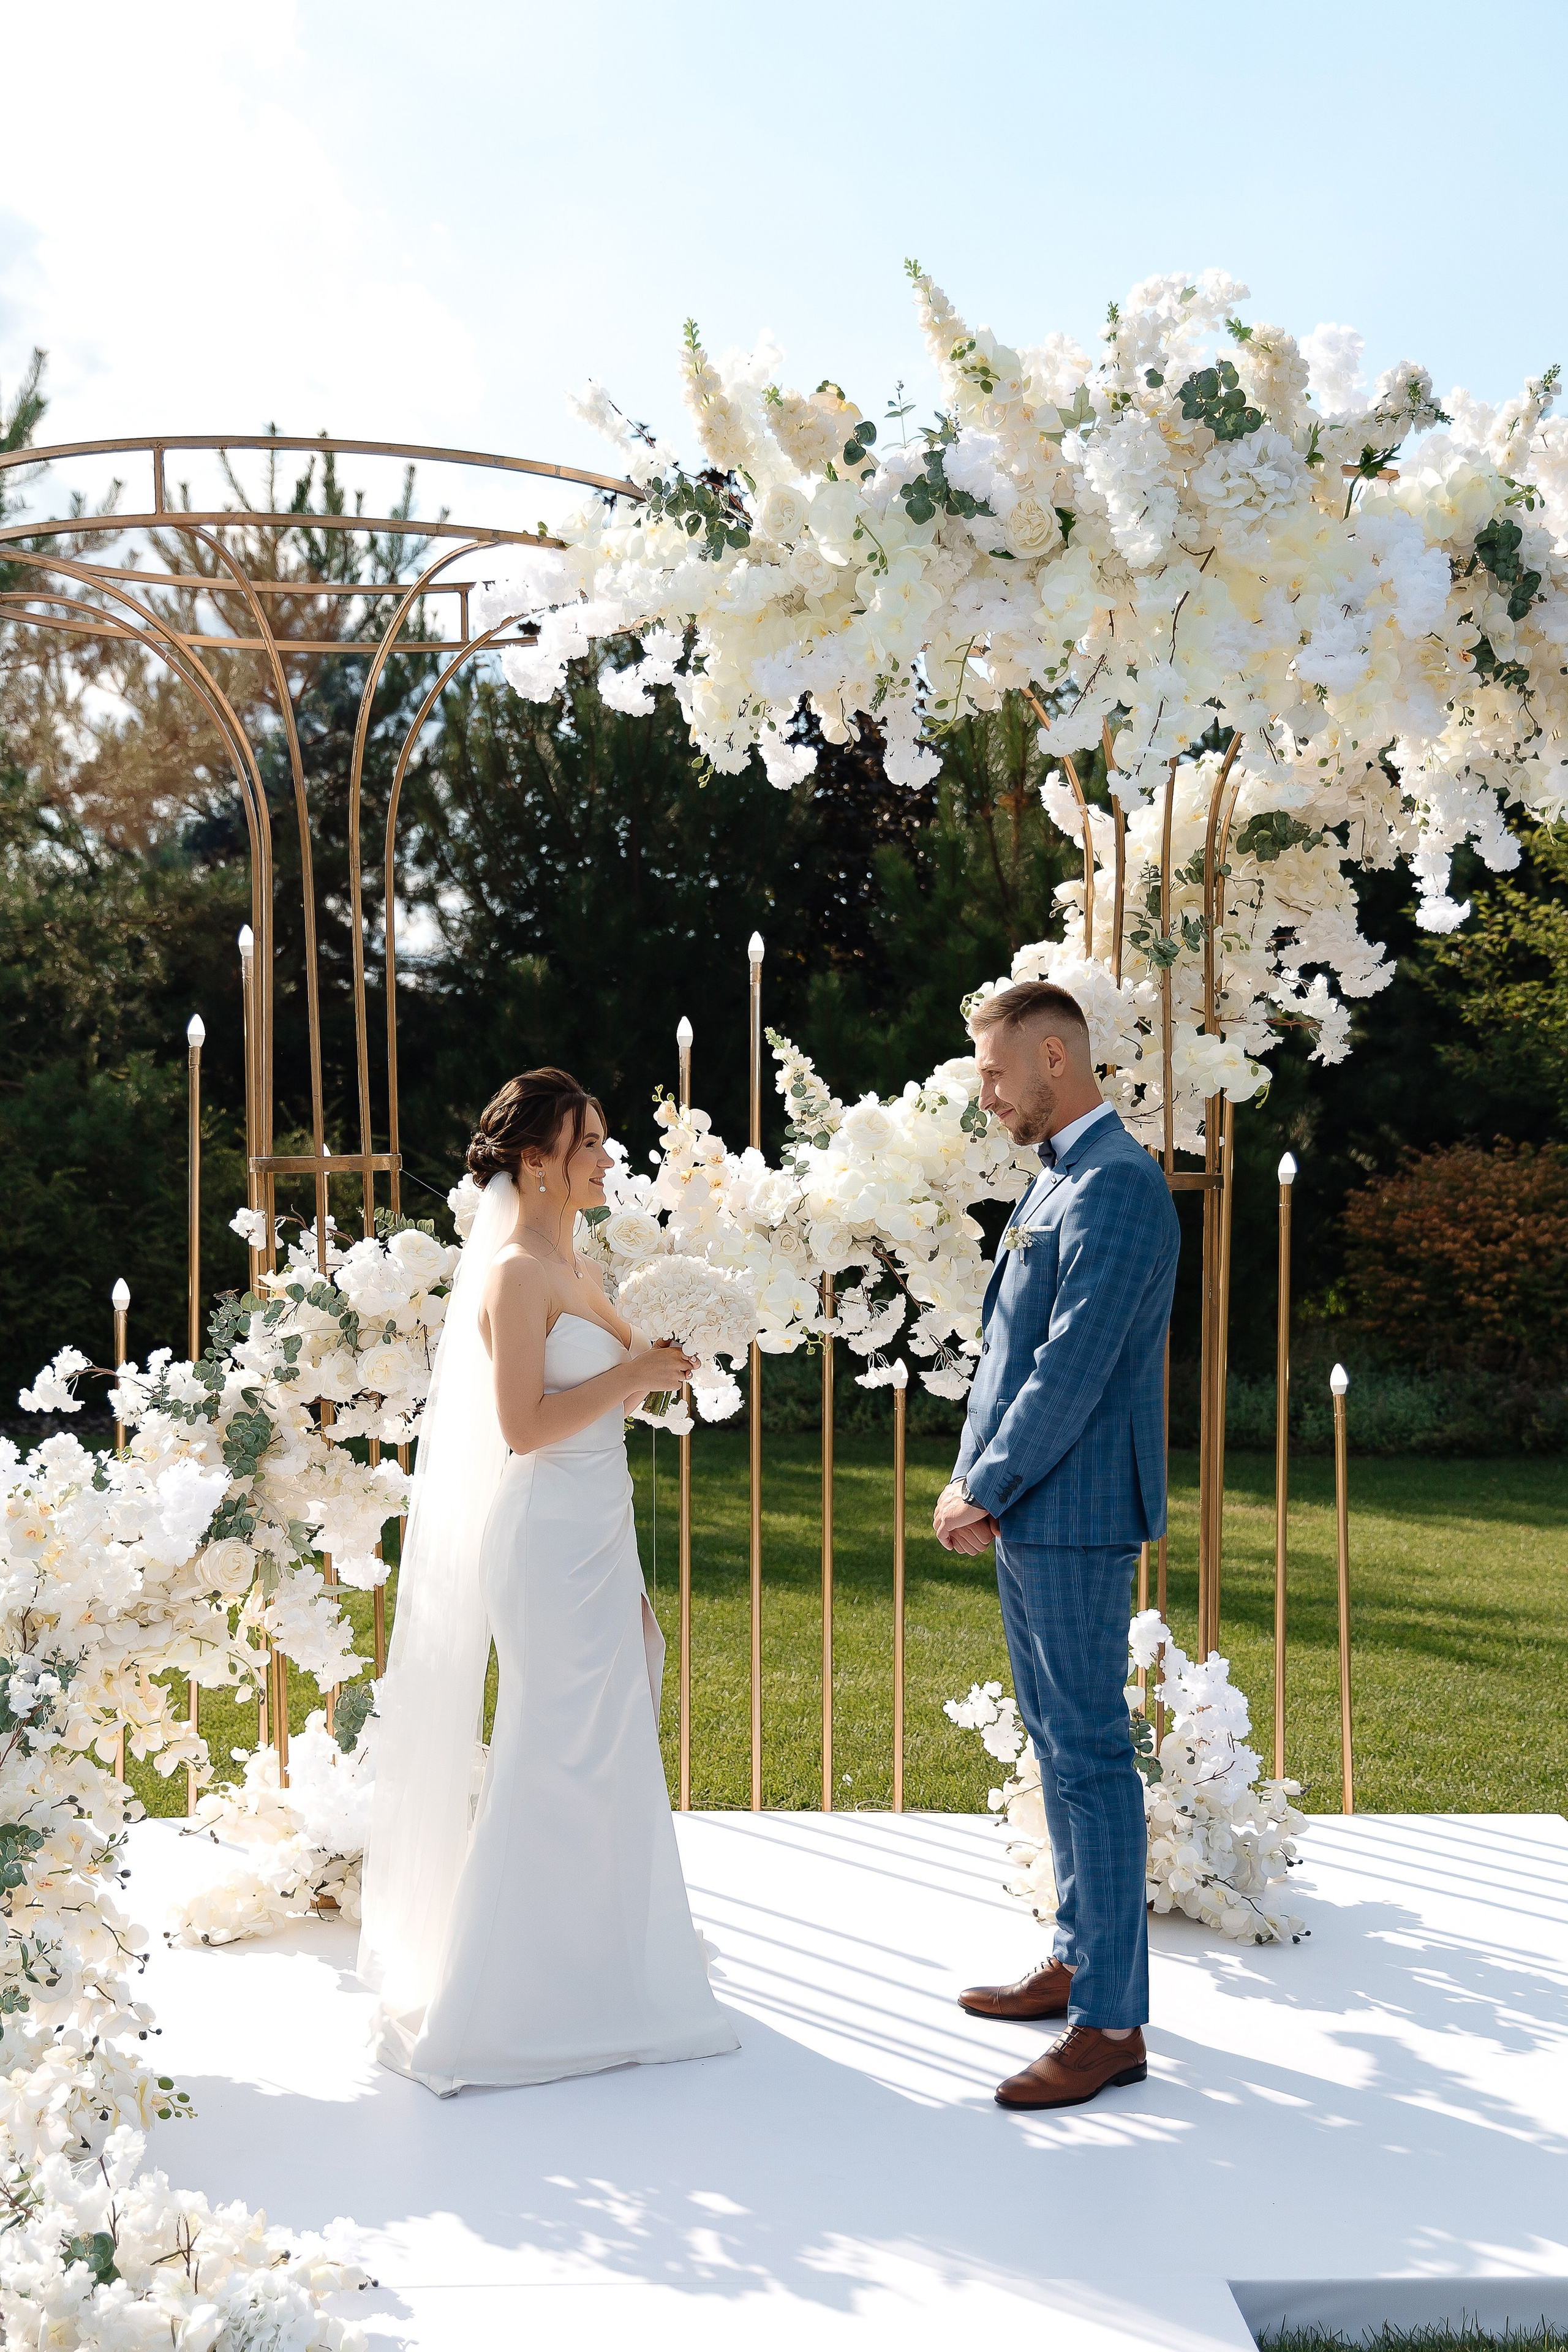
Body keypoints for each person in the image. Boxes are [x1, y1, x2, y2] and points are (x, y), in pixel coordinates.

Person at [358, 1067, 739, 2094]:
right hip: (542, 1538)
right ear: (537, 1163)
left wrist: (652, 1372)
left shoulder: (577, 1261)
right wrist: (630, 1376)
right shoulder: (518, 1274)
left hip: (599, 1530)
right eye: (590, 1147)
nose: (608, 1159)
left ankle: (598, 1973)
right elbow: (524, 1427)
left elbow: (604, 1406)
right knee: (549, 1750)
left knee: (608, 1744)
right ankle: (507, 2003)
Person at [932, 982, 1178, 2112]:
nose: (986, 1094)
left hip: (1071, 1514)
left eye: (993, 1073)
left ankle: (1114, 2025)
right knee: (1059, 1748)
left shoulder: (1118, 1186)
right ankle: (1081, 1959)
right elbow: (1007, 1352)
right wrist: (979, 1482)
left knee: (1089, 1759)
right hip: (1037, 1510)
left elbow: (1070, 1370)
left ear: (1051, 1055)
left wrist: (982, 1484)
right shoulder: (1063, 1178)